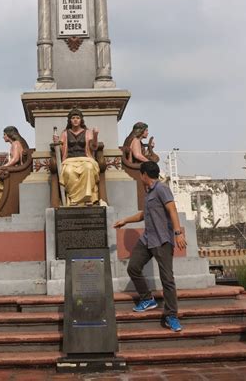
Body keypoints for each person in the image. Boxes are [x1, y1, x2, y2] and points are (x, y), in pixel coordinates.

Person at [114, 162, 186, 332]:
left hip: (162, 240)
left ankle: (171, 316)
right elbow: (143, 214)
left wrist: (178, 233)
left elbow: (172, 210)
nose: (140, 177)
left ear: (145, 174)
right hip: (147, 239)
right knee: (133, 267)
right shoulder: (148, 193)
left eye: (141, 174)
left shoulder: (162, 189)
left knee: (167, 279)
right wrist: (125, 220)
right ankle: (147, 299)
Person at [53, 108, 101, 206]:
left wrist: (95, 135)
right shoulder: (65, 133)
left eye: (78, 118)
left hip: (85, 159)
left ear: (81, 120)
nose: (75, 120)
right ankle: (74, 198)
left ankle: (87, 198)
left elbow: (94, 147)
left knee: (89, 168)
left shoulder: (87, 133)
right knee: (68, 172)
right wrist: (56, 143)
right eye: (73, 118)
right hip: (69, 160)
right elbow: (61, 150)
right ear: (70, 120)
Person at [0, 126, 29, 214]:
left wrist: (1, 167)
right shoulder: (15, 144)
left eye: (4, 134)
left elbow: (16, 159)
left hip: (17, 174)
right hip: (16, 171)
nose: (3, 137)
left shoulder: (15, 143)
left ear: (9, 134)